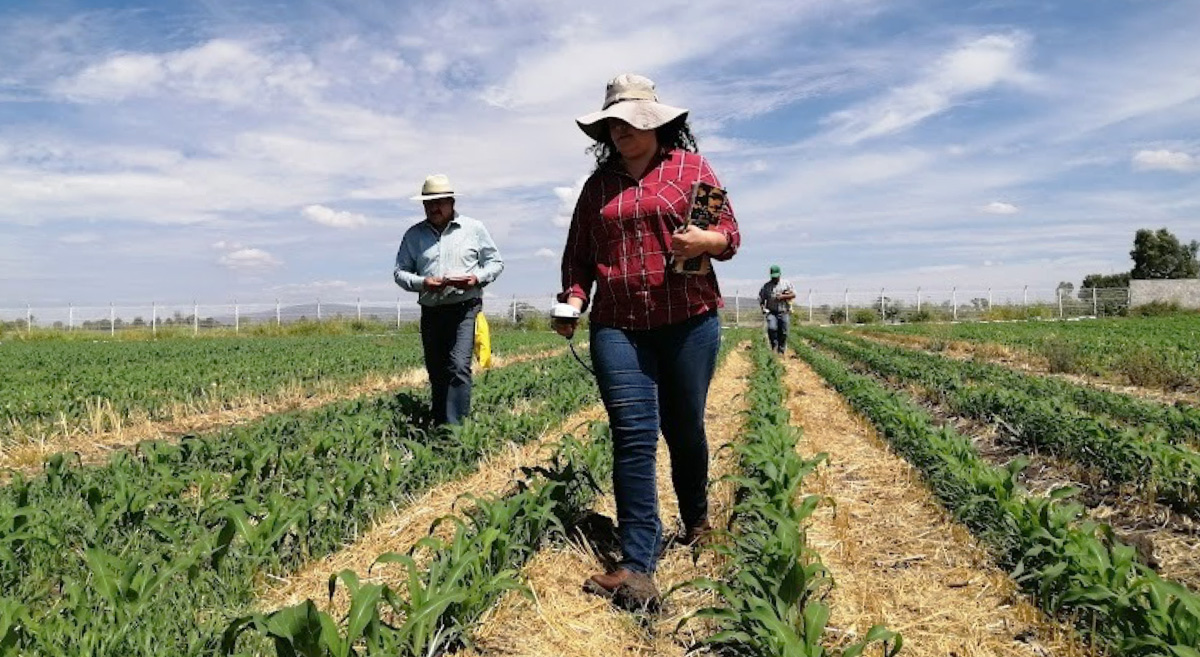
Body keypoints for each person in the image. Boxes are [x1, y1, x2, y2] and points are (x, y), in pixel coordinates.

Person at [554, 73, 741, 610]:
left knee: (684, 429)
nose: (621, 131)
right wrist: (571, 300)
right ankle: (637, 564)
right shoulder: (599, 187)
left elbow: (728, 235)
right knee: (632, 436)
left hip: (688, 320)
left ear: (658, 124)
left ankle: (698, 519)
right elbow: (579, 256)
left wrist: (707, 239)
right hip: (618, 326)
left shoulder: (691, 170)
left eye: (632, 122)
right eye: (613, 123)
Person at [394, 174, 504, 425]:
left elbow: (496, 263)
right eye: (429, 203)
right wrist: (423, 283)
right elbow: (400, 273)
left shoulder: (474, 229)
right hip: (432, 310)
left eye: (440, 202)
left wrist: (476, 278)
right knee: (437, 369)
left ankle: (455, 432)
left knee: (458, 367)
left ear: (452, 201)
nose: (434, 208)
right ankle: (440, 421)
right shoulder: (414, 235)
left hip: (465, 308)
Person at [758, 265, 795, 354]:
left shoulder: (786, 283)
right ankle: (774, 346)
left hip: (784, 311)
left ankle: (781, 351)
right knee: (772, 328)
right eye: (773, 277)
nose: (775, 279)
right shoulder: (766, 286)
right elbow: (761, 299)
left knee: (784, 331)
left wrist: (783, 296)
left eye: (777, 276)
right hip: (772, 312)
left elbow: (793, 294)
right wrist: (763, 308)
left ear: (780, 274)